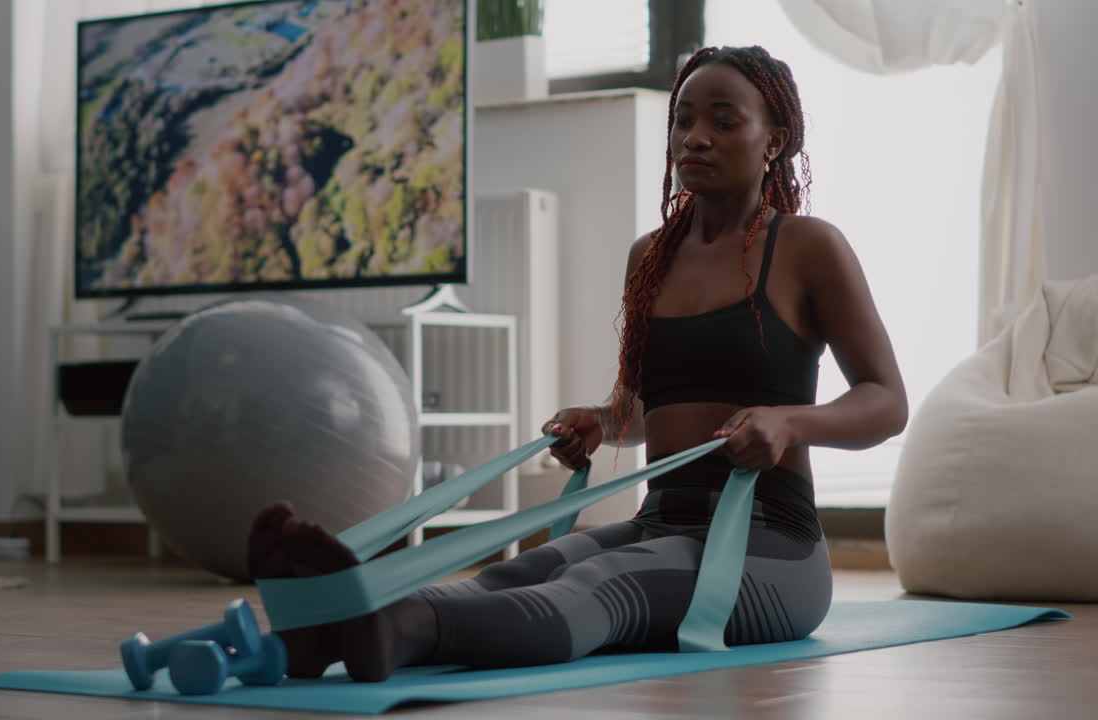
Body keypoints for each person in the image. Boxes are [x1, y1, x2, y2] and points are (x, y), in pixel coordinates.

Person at [247, 44, 909, 683]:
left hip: (771, 545)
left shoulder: (807, 248)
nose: (694, 137)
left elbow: (886, 400)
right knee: (519, 573)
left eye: (723, 121)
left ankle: (384, 627)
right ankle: (333, 629)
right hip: (662, 521)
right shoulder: (650, 256)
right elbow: (642, 408)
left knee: (604, 584)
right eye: (683, 119)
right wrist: (600, 422)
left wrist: (790, 424)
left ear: (775, 141)